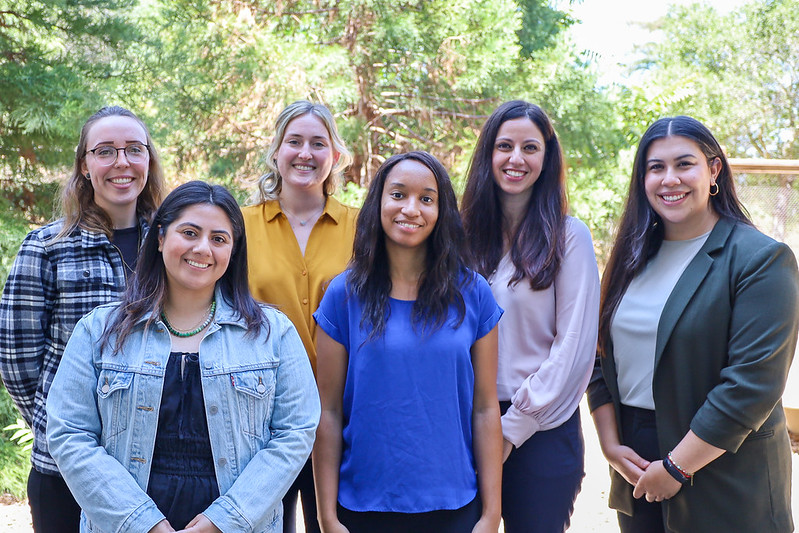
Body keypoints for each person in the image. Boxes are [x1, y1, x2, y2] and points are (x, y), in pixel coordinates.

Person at [46, 181, 320, 533]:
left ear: (233, 251)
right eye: (189, 232)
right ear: (160, 238)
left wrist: (224, 520)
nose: (203, 248)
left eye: (219, 239)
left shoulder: (272, 333)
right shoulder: (100, 330)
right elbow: (70, 433)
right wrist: (142, 522)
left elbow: (295, 432)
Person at [587, 116, 799, 532]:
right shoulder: (631, 259)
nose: (670, 179)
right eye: (656, 167)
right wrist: (611, 446)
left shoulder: (761, 260)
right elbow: (598, 359)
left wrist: (678, 468)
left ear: (713, 169)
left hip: (725, 467)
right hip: (637, 465)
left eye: (684, 164)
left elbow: (751, 385)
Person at [313, 151, 503, 533]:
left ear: (442, 210)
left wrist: (491, 513)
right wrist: (326, 517)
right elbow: (328, 412)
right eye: (398, 195)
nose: (411, 209)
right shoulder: (342, 295)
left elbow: (485, 408)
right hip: (362, 509)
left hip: (455, 508)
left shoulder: (474, 293)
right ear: (379, 203)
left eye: (427, 199)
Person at [0, 106, 165, 532]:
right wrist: (60, 430)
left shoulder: (173, 247)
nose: (122, 162)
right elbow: (18, 360)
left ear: (148, 159)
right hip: (64, 471)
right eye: (105, 151)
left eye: (134, 149)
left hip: (154, 462)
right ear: (85, 166)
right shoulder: (46, 247)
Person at [459, 100, 600, 533]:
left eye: (530, 148)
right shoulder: (459, 235)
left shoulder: (569, 236)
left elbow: (574, 349)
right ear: (488, 154)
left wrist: (510, 428)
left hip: (541, 428)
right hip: (464, 420)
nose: (516, 159)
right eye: (504, 146)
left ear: (547, 157)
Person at [242, 100, 356, 533]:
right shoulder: (239, 225)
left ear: (336, 156)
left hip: (342, 413)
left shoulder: (362, 228)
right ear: (276, 152)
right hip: (259, 414)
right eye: (294, 142)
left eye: (317, 143)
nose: (305, 153)